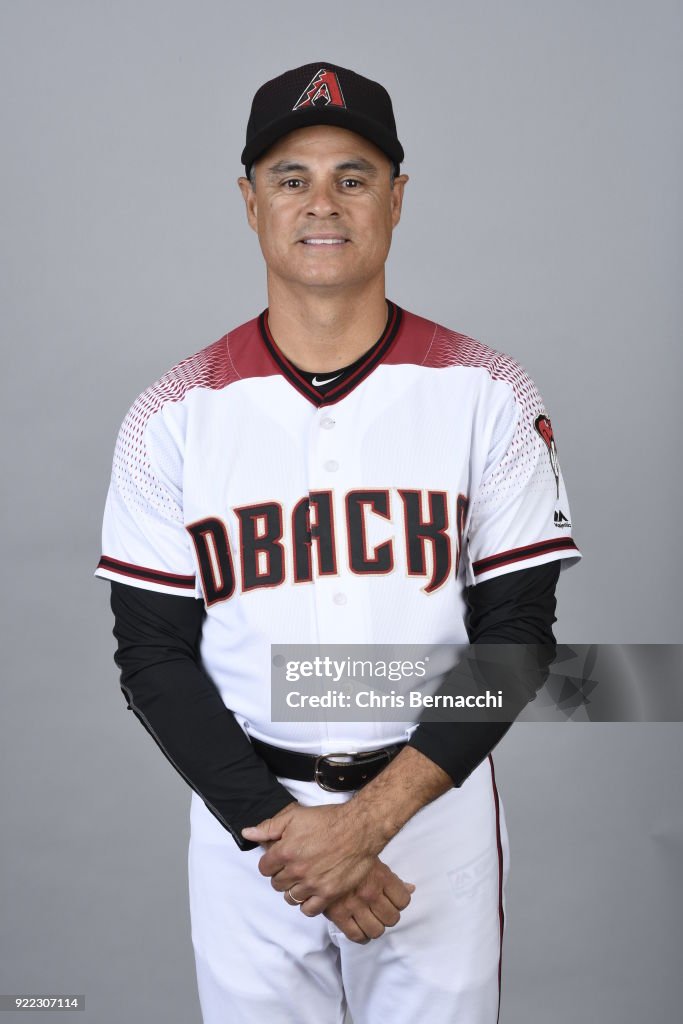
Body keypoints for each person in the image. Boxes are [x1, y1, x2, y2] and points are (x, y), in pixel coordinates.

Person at [96, 61, 581, 1024]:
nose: (323, 203)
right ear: (250, 202)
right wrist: (288, 838)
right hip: (249, 830)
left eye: (352, 177)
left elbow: (519, 639)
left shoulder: (488, 391)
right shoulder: (171, 414)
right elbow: (152, 656)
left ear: (396, 199)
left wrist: (367, 825)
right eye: (291, 178)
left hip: (431, 815)